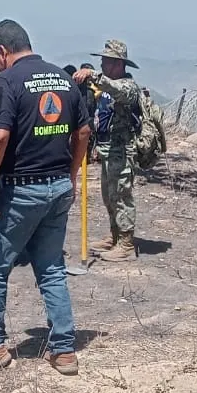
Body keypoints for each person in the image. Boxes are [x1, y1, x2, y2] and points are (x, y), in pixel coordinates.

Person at [0, 19, 91, 375]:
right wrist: (72, 172)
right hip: (58, 187)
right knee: (50, 267)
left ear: (1, 51)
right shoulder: (63, 78)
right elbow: (83, 130)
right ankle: (64, 348)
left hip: (20, 189)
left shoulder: (6, 81)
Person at [72, 39, 143, 262]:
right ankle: (114, 235)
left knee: (121, 196)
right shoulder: (104, 87)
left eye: (105, 61)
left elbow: (116, 90)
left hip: (122, 151)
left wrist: (93, 75)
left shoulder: (127, 86)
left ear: (117, 64)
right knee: (109, 196)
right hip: (108, 150)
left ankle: (126, 243)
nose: (102, 64)